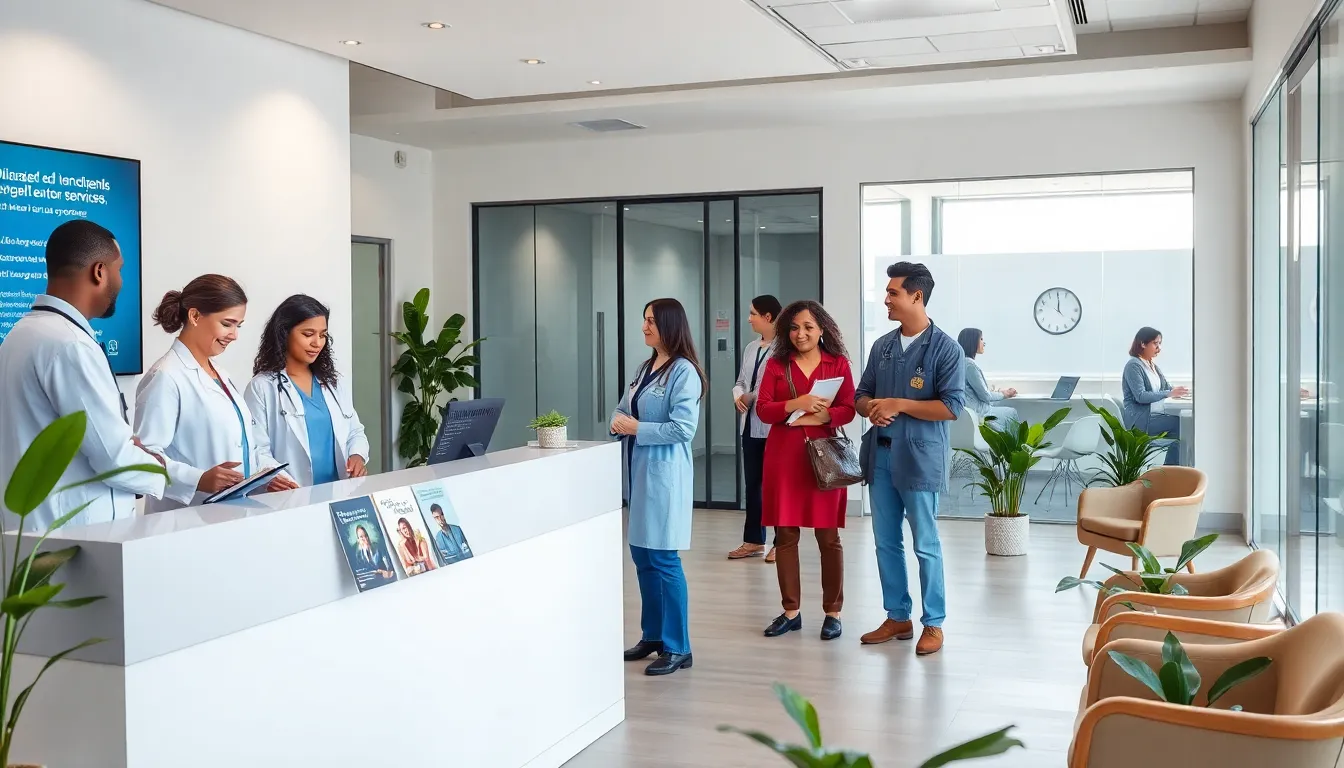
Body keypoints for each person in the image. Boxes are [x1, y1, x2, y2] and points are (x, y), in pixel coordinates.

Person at [0, 220, 165, 530]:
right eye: (120, 269)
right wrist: (160, 468)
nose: (121, 279)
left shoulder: (21, 334)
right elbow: (112, 457)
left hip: (41, 533)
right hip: (78, 538)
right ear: (99, 271)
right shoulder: (70, 345)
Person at [855, 261, 965, 656]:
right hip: (881, 457)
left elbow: (952, 406)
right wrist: (872, 409)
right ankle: (897, 615)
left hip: (919, 460)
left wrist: (899, 404)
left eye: (892, 293)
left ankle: (933, 623)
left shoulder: (946, 349)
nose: (886, 299)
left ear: (916, 296)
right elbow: (861, 394)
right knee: (885, 542)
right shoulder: (882, 346)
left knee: (926, 544)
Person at [135, 275, 294, 512]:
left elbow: (241, 445)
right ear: (195, 316)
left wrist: (267, 475)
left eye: (238, 326)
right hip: (185, 519)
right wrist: (198, 479)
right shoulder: (166, 376)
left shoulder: (220, 374)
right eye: (227, 324)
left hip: (231, 512)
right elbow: (144, 458)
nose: (234, 335)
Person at [611, 298, 704, 677]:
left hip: (665, 477)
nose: (644, 327)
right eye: (644, 319)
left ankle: (678, 646)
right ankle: (653, 636)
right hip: (639, 474)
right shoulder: (644, 368)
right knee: (643, 559)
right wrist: (621, 420)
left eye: (651, 321)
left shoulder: (684, 372)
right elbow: (620, 409)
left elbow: (684, 428)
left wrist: (634, 427)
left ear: (668, 325)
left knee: (664, 561)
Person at [755, 300, 856, 641]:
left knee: (828, 537)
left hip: (824, 459)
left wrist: (825, 416)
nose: (801, 334)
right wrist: (797, 404)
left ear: (822, 330)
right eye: (795, 327)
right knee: (785, 536)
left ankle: (833, 612)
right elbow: (764, 409)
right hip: (784, 458)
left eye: (809, 327)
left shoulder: (837, 363)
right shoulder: (776, 365)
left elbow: (848, 408)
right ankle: (791, 611)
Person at [244, 295, 370, 487]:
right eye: (308, 334)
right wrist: (272, 477)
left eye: (323, 335)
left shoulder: (332, 383)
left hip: (338, 490)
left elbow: (355, 430)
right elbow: (256, 447)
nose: (317, 343)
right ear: (284, 333)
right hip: (291, 495)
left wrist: (357, 455)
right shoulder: (263, 386)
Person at [730, 294, 782, 562]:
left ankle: (780, 542)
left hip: (773, 427)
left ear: (768, 317)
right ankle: (753, 540)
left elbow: (778, 386)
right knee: (753, 484)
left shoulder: (784, 349)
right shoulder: (751, 348)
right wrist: (738, 394)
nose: (749, 318)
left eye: (753, 313)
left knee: (775, 486)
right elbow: (741, 380)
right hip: (749, 425)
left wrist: (752, 396)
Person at [1122, 326, 1189, 466]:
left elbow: (1165, 387)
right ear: (1143, 344)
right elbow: (1141, 396)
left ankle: (1173, 469)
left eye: (1159, 344)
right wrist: (1169, 393)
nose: (1159, 348)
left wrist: (1180, 391)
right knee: (1182, 424)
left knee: (1183, 424)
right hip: (1140, 420)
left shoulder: (1151, 365)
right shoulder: (1133, 365)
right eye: (1155, 343)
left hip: (1153, 416)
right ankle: (1172, 471)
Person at [957, 328, 1018, 427]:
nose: (983, 343)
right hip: (979, 413)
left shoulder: (961, 362)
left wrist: (999, 392)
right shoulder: (969, 365)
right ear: (972, 342)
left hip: (972, 410)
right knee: (1012, 412)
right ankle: (1012, 443)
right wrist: (1005, 394)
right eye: (981, 339)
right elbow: (986, 396)